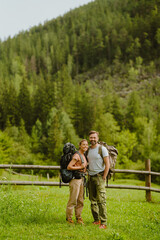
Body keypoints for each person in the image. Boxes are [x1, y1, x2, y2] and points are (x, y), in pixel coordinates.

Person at [87, 130, 110, 229]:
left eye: (94, 137)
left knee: (101, 200)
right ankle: (96, 220)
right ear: (89, 138)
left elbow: (107, 164)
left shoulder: (102, 149)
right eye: (91, 137)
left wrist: (104, 176)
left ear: (98, 138)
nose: (92, 139)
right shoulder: (88, 150)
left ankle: (103, 222)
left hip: (99, 176)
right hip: (90, 177)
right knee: (92, 200)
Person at [66, 139, 88, 224]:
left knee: (80, 200)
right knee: (73, 200)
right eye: (83, 145)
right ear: (79, 145)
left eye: (86, 145)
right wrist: (80, 167)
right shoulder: (77, 155)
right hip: (75, 180)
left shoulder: (83, 155)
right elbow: (69, 167)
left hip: (81, 179)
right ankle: (69, 218)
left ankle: (78, 218)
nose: (85, 146)